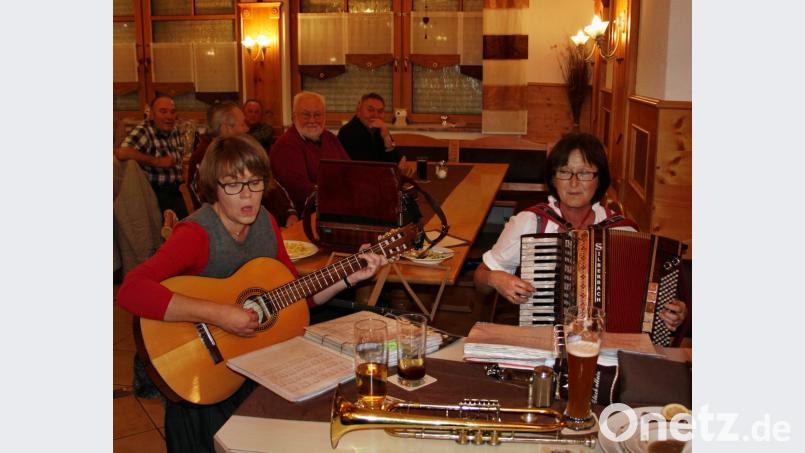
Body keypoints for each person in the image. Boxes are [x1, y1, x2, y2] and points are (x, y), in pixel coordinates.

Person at [116, 134, 387, 453]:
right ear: (214, 188)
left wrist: (347, 277)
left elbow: (294, 296)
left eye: (255, 182)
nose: (247, 196)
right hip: (200, 370)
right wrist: (219, 314)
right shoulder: (196, 234)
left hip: (250, 366)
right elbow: (131, 290)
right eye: (233, 184)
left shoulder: (265, 223)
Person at [473, 132, 687, 335]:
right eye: (565, 172)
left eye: (584, 173)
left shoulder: (623, 230)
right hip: (544, 339)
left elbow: (650, 302)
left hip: (606, 345)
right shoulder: (530, 222)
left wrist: (672, 313)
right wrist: (495, 278)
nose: (574, 183)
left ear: (599, 179)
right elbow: (480, 278)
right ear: (553, 178)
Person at [188, 102, 298, 227]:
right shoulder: (204, 158)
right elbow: (209, 205)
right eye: (242, 124)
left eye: (255, 183)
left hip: (273, 226)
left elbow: (272, 183)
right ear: (226, 129)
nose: (247, 129)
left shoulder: (245, 152)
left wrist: (290, 212)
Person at [270, 91, 351, 213]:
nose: (312, 120)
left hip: (339, 206)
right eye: (306, 115)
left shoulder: (330, 138)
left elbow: (350, 170)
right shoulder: (286, 146)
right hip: (307, 215)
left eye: (317, 114)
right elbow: (300, 191)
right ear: (294, 116)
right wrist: (341, 199)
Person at [115, 95, 187, 218]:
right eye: (163, 111)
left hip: (177, 190)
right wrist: (157, 161)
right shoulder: (145, 130)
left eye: (172, 112)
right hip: (157, 194)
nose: (169, 116)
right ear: (152, 115)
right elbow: (121, 152)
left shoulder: (175, 130)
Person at [337, 93, 402, 164]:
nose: (375, 115)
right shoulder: (347, 132)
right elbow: (367, 166)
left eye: (380, 111)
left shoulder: (380, 129)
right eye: (370, 110)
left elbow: (397, 163)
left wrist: (386, 137)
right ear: (358, 112)